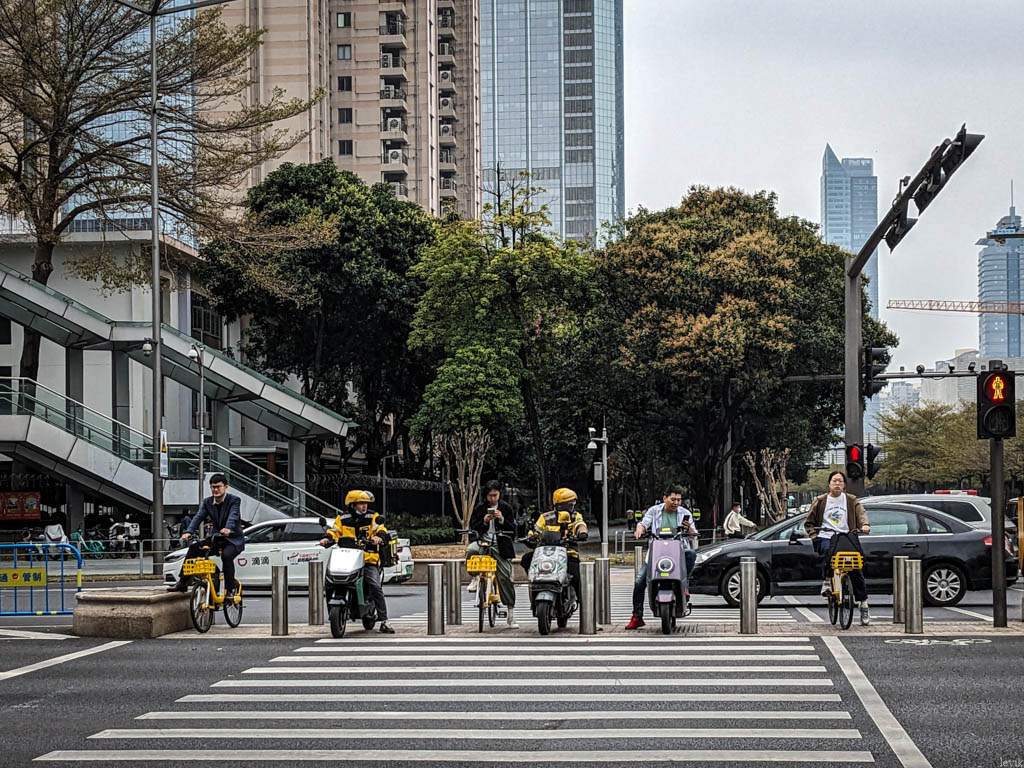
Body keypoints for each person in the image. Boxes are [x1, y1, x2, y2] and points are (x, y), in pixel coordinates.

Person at [319, 489, 395, 634]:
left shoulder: (373, 516)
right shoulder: (342, 518)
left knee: (375, 585)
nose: (364, 506)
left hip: (368, 559)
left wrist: (379, 537)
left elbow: (381, 529)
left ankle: (385, 621)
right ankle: (333, 611)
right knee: (329, 583)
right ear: (352, 505)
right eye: (360, 503)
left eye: (365, 503)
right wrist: (326, 538)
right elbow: (334, 531)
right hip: (347, 559)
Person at [804, 470, 872, 626]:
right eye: (835, 481)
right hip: (826, 536)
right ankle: (827, 582)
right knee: (829, 553)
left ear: (844, 485)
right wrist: (814, 535)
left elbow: (861, 514)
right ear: (829, 484)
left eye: (840, 481)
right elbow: (809, 522)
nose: (837, 484)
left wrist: (865, 525)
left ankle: (864, 605)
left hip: (847, 537)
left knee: (856, 567)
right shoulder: (821, 501)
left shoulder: (851, 500)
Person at [626, 485, 698, 630]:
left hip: (678, 552)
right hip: (657, 553)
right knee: (640, 581)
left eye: (679, 500)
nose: (676, 503)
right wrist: (640, 529)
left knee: (691, 554)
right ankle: (637, 616)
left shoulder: (685, 513)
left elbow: (693, 533)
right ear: (665, 498)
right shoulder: (654, 511)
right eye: (673, 499)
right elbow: (644, 523)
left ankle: (684, 586)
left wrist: (689, 529)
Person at [168, 474, 245, 597]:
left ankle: (229, 590)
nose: (215, 490)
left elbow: (233, 515)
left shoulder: (234, 500)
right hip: (216, 538)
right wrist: (188, 531)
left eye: (218, 487)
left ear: (226, 487)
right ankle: (182, 582)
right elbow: (199, 517)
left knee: (226, 556)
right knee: (193, 549)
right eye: (212, 487)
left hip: (232, 540)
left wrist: (228, 528)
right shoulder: (208, 502)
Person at [466, 480, 519, 628]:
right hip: (483, 542)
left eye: (495, 495)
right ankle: (475, 577)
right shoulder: (479, 508)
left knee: (505, 577)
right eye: (490, 496)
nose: (493, 499)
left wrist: (501, 519)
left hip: (500, 544)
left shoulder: (506, 508)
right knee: (471, 550)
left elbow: (512, 529)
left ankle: (510, 613)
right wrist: (484, 522)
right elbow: (473, 527)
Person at [521, 488, 588, 598]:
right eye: (566, 504)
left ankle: (583, 604)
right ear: (558, 505)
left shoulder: (575, 516)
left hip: (568, 553)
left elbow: (581, 525)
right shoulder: (545, 517)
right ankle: (534, 584)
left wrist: (582, 533)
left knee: (576, 577)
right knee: (526, 559)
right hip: (545, 554)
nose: (570, 507)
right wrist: (530, 537)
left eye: (571, 504)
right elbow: (536, 531)